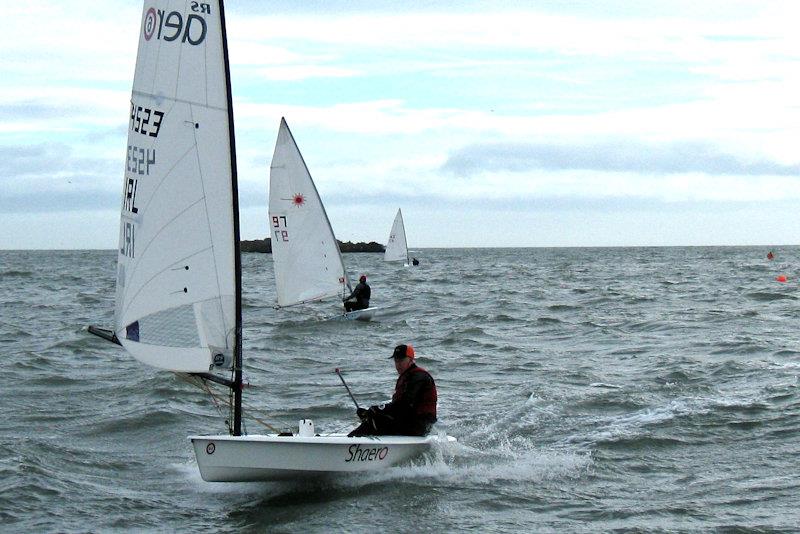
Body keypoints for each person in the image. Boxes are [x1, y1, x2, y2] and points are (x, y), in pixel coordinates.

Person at [348, 344, 437, 437]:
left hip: (420, 425)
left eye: (401, 360)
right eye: (396, 361)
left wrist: (378, 410)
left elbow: (404, 404)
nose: (398, 364)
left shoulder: (418, 377)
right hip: (410, 421)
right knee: (373, 419)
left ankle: (352, 441)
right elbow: (398, 408)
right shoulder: (407, 376)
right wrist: (370, 413)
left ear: (411, 360)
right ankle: (355, 440)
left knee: (376, 421)